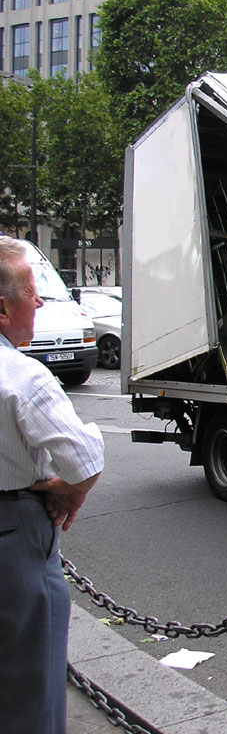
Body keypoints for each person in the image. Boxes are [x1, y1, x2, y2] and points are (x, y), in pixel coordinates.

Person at [0, 236, 104, 734]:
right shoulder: (22, 378)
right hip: (12, 541)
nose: (40, 302)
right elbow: (83, 459)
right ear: (2, 307)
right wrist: (72, 490)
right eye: (34, 290)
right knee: (28, 697)